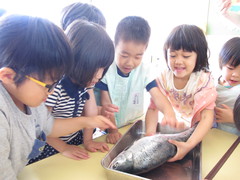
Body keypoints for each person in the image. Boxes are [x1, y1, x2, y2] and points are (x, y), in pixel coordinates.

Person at [0, 14, 115, 179]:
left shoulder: (32, 104)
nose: (52, 91)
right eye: (49, 85)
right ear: (9, 76)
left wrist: (87, 121)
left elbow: (49, 127)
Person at [28, 19, 115, 164]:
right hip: (50, 144)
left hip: (73, 138)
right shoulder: (55, 86)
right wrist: (64, 148)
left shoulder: (86, 82)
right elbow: (42, 127)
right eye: (95, 68)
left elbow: (90, 114)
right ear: (76, 60)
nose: (99, 76)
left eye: (103, 68)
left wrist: (88, 141)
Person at [95, 16, 176, 144]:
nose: (130, 63)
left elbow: (157, 95)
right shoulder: (106, 70)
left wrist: (168, 112)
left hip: (133, 125)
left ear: (145, 49)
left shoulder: (145, 70)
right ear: (115, 45)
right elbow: (106, 102)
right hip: (109, 127)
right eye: (124, 55)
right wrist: (113, 131)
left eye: (138, 57)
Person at [145, 24, 217, 162]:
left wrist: (189, 145)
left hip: (202, 127)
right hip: (182, 123)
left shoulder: (203, 80)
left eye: (186, 56)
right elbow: (153, 107)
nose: (178, 61)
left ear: (199, 56)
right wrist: (150, 134)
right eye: (172, 55)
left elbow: (207, 117)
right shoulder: (164, 77)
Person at [215, 37, 240, 135]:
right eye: (231, 68)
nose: (236, 75)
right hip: (215, 132)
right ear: (221, 64)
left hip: (234, 138)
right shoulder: (211, 83)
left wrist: (234, 118)